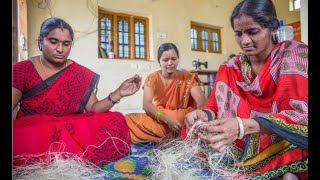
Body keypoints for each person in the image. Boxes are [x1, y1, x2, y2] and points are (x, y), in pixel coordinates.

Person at [185, 0, 308, 179]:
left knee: (295, 144)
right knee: (194, 133)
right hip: (241, 140)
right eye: (238, 34)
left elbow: (303, 116)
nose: (245, 41)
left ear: (272, 28)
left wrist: (243, 126)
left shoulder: (293, 56)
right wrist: (204, 116)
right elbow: (212, 108)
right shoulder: (230, 67)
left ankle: (283, 168)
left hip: (281, 138)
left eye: (253, 32)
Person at [12, 17, 142, 166]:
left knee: (116, 119)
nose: (60, 49)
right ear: (40, 42)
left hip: (69, 130)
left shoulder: (79, 73)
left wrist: (118, 93)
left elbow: (93, 109)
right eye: (53, 42)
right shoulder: (22, 69)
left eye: (66, 44)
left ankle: (63, 157)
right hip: (34, 133)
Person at [125, 43, 206, 144]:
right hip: (159, 116)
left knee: (187, 118)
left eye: (173, 59)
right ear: (159, 61)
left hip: (181, 116)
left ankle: (173, 133)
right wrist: (167, 119)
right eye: (165, 60)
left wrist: (198, 115)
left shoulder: (188, 77)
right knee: (128, 119)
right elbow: (146, 105)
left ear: (178, 59)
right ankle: (181, 133)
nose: (170, 63)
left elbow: (200, 99)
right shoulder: (152, 78)